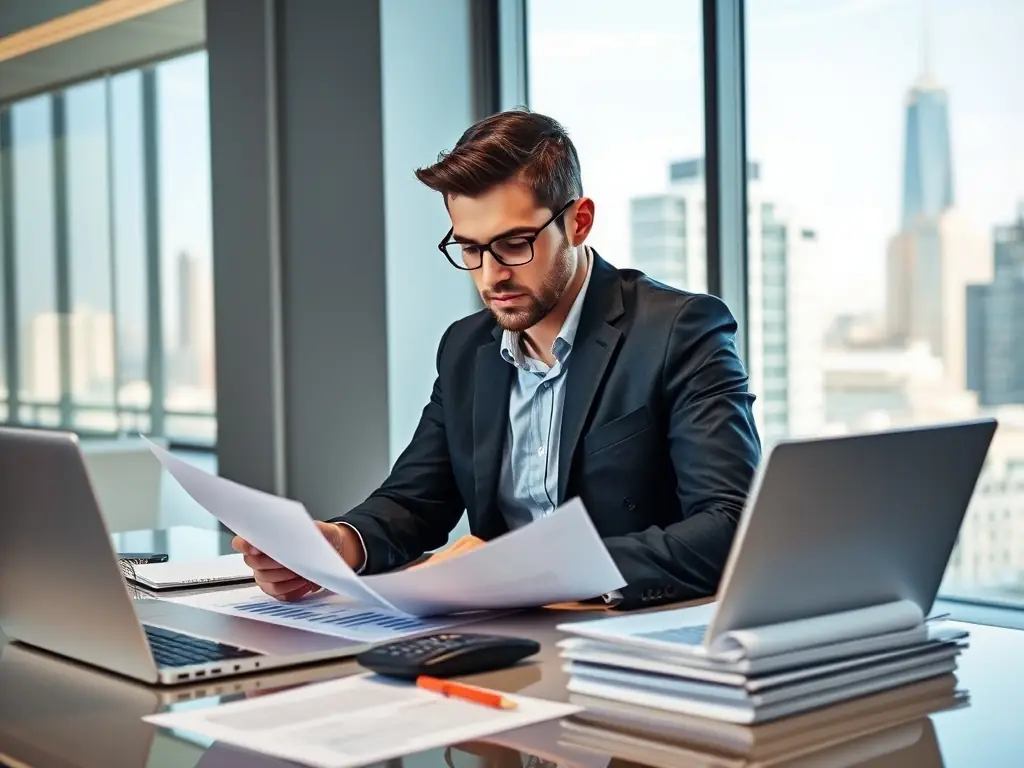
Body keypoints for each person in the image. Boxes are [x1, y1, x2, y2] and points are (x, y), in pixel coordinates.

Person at [234, 109, 761, 611]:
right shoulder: (467, 350)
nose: (490, 277)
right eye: (469, 249)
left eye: (513, 244)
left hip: (625, 634)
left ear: (579, 222)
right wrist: (338, 544)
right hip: (499, 638)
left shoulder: (679, 330)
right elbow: (415, 501)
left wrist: (529, 567)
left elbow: (731, 524)